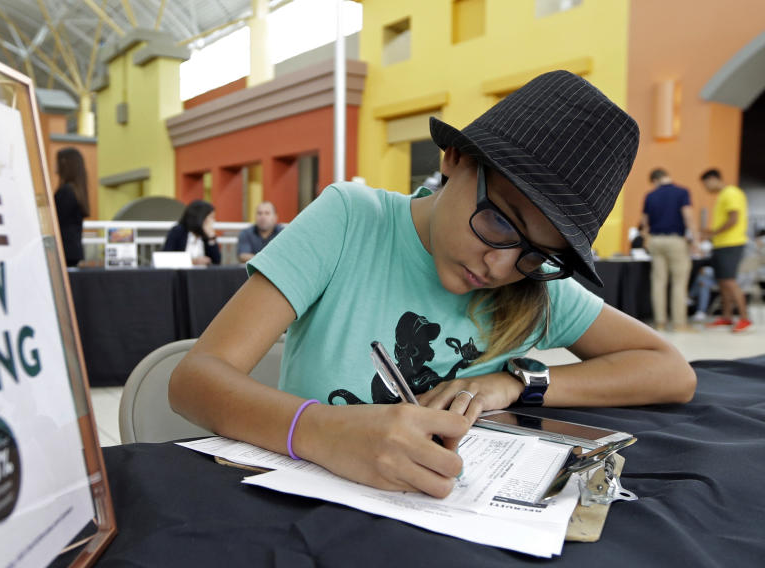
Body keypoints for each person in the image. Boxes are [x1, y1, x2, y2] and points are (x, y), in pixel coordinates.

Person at [169, 71, 696, 499]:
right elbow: (194, 380)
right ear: (455, 160)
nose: (499, 266)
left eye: (537, 253)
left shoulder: (532, 286)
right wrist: (321, 430)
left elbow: (671, 371)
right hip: (311, 506)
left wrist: (514, 384)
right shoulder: (352, 222)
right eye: (499, 222)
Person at [639, 168, 697, 331]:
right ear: (667, 176)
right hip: (675, 240)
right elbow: (688, 217)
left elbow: (644, 222)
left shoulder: (650, 195)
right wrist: (696, 241)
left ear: (655, 180)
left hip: (655, 241)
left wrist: (645, 239)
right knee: (679, 282)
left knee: (658, 282)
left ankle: (660, 323)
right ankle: (679, 323)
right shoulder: (682, 192)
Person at [700, 169, 751, 333]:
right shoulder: (723, 195)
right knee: (722, 281)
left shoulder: (731, 193)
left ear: (713, 179)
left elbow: (733, 219)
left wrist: (713, 233)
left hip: (731, 243)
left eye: (705, 184)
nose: (706, 188)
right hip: (721, 244)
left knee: (729, 281)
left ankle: (744, 318)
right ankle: (727, 316)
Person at [54, 147, 89, 268]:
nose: (55, 167)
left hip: (64, 250)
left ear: (64, 163)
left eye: (57, 161)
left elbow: (55, 219)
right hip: (72, 251)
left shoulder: (66, 192)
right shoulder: (76, 191)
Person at [163, 200, 221, 265]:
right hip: (181, 274)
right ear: (201, 217)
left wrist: (211, 237)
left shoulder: (205, 237)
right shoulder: (178, 231)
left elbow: (217, 262)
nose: (213, 221)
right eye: (211, 217)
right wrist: (192, 261)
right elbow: (166, 257)